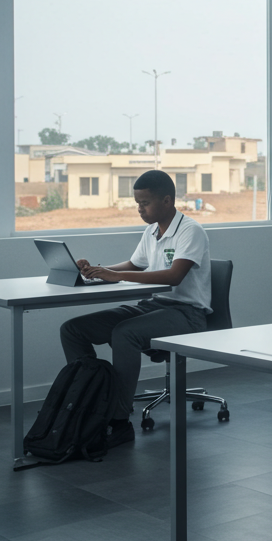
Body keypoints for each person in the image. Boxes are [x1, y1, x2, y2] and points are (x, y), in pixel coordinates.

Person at [59, 170, 211, 447]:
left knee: (124, 333)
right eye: (137, 203)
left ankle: (118, 421)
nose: (139, 209)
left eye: (145, 203)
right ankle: (91, 401)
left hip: (188, 314)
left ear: (166, 201)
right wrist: (97, 270)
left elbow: (173, 276)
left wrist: (115, 276)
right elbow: (133, 266)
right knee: (73, 329)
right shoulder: (151, 231)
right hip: (153, 306)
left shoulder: (191, 231)